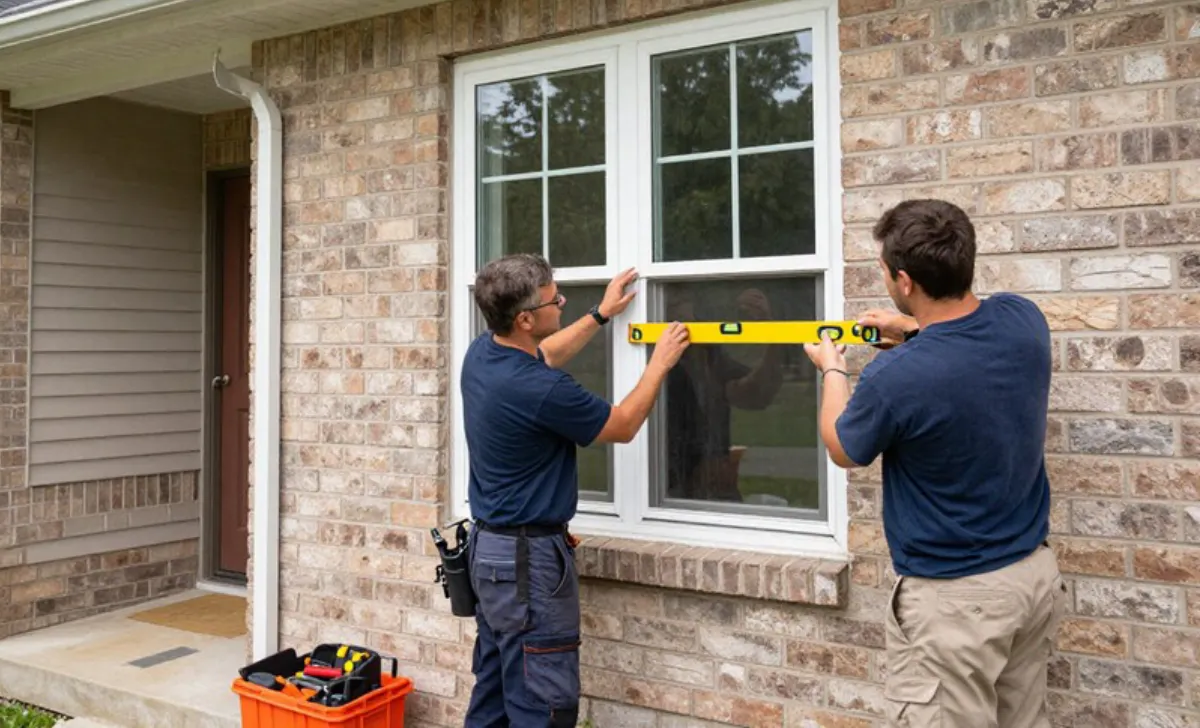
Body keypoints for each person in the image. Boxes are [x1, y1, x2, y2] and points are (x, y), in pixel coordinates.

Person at [803, 199, 1067, 728]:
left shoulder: (897, 378)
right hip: (1031, 580)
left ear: (903, 280)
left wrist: (833, 369)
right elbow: (966, 339)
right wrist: (911, 328)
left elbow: (842, 447)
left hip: (956, 604)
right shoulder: (1024, 321)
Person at [459, 253, 689, 728]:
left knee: (496, 694)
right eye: (554, 300)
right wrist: (659, 363)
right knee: (543, 705)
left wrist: (599, 315)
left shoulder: (483, 354)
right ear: (525, 318)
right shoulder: (542, 390)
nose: (561, 303)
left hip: (492, 554)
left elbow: (546, 351)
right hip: (526, 562)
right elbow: (622, 425)